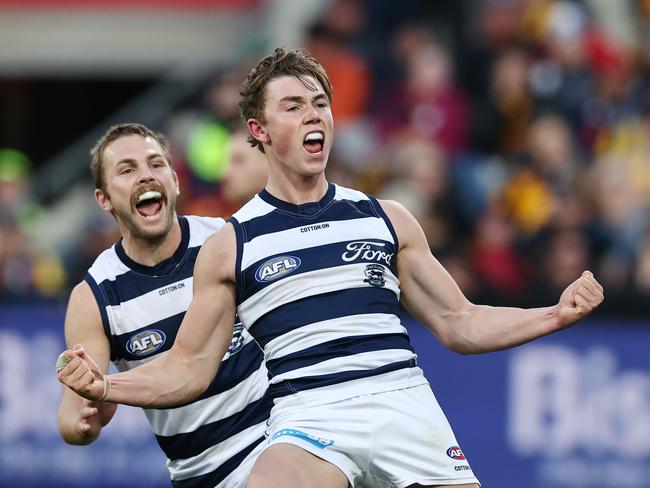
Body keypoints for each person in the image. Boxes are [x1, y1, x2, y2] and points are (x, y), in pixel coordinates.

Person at [58, 49, 604, 488]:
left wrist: (552, 315)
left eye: (320, 103)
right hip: (310, 420)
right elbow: (189, 368)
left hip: (404, 405)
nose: (313, 114)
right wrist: (106, 387)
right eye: (293, 106)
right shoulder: (231, 244)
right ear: (260, 130)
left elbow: (460, 323)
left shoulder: (385, 216)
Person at [55, 123, 272, 487]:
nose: (145, 176)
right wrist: (85, 421)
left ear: (174, 180)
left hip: (278, 443)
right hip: (200, 474)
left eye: (155, 165)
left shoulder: (226, 241)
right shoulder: (94, 296)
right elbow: (72, 416)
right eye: (126, 170)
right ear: (103, 199)